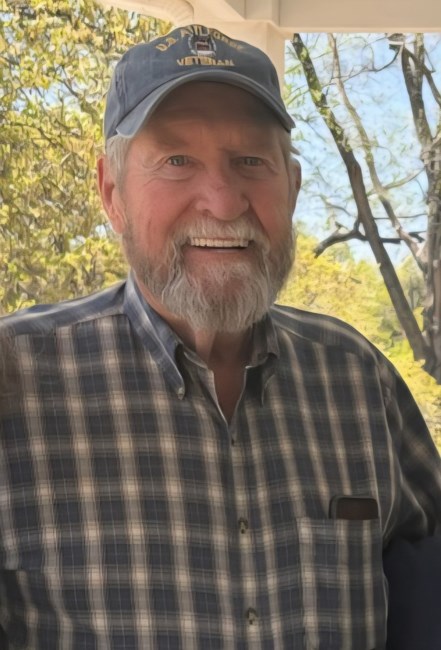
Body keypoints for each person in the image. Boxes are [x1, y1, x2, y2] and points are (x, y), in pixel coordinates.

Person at [0, 23, 439, 650]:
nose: (224, 201)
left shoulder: (359, 379)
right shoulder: (15, 381)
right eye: (177, 161)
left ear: (292, 187)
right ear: (111, 193)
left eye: (251, 161)